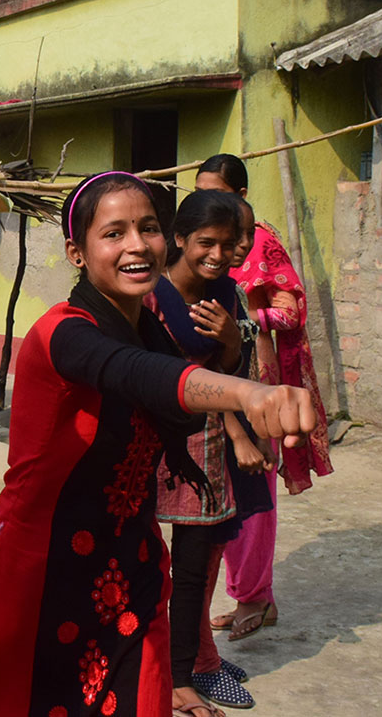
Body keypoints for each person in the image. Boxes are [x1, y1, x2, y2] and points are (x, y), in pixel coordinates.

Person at [0, 172, 317, 717]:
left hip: (130, 561)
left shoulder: (147, 325)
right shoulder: (62, 332)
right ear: (76, 251)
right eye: (114, 233)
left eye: (147, 228)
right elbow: (139, 374)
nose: (137, 245)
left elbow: (171, 374)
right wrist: (248, 392)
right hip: (47, 570)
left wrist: (236, 360)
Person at [195, 154, 334, 643]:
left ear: (241, 195)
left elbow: (290, 311)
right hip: (215, 377)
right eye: (200, 191)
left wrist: (246, 325)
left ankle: (256, 595)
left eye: (218, 192)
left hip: (257, 375)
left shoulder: (260, 240)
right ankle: (244, 589)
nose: (209, 201)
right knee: (222, 485)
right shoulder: (205, 243)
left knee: (254, 489)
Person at [144, 190, 265, 713]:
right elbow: (150, 377)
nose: (218, 255)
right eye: (206, 243)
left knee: (196, 568)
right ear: (179, 240)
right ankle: (157, 665)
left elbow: (234, 374)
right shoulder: (150, 295)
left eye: (229, 244)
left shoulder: (226, 295)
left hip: (209, 444)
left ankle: (185, 669)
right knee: (145, 562)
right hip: (153, 446)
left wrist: (234, 346)